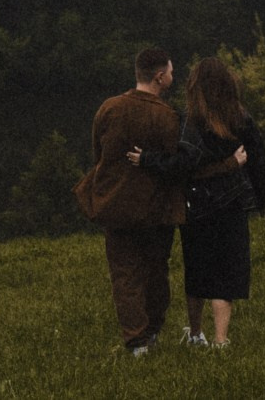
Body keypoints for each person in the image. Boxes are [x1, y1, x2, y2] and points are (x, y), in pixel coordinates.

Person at [128, 54, 265, 349]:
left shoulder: (190, 121)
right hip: (232, 205)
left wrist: (146, 160)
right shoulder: (241, 118)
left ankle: (196, 334)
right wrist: (261, 198)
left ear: (195, 86)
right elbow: (260, 160)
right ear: (228, 84)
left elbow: (181, 164)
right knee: (228, 271)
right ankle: (221, 340)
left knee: (198, 269)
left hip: (198, 206)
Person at [80, 47, 191, 355]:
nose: (173, 76)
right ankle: (153, 330)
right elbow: (174, 166)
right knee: (156, 270)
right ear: (159, 77)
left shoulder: (110, 108)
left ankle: (135, 340)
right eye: (170, 71)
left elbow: (97, 154)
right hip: (156, 208)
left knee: (125, 273)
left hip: (117, 204)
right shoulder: (168, 117)